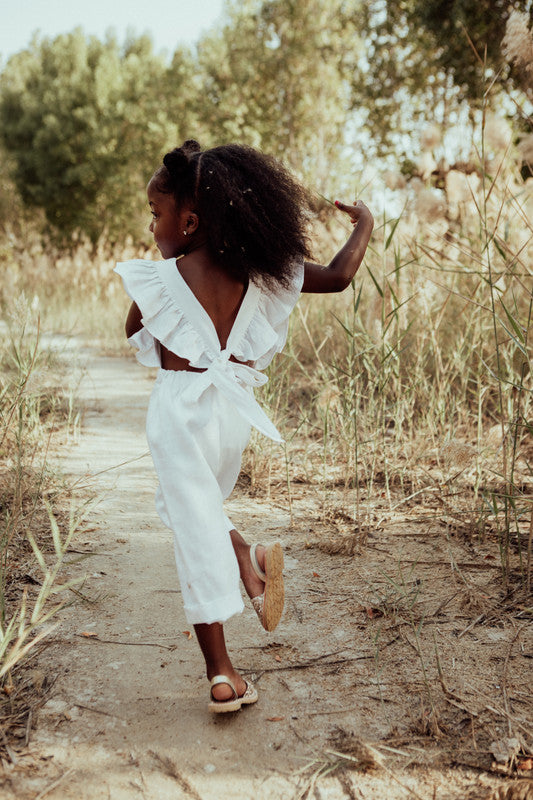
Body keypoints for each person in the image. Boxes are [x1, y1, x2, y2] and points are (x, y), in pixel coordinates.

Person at [115, 140, 373, 714]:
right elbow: (337, 276)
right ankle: (248, 562)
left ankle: (221, 672)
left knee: (191, 533)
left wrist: (171, 295)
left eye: (157, 214)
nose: (152, 225)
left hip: (180, 411)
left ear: (190, 220)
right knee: (192, 509)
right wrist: (366, 224)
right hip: (229, 412)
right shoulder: (265, 273)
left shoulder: (160, 278)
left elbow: (135, 330)